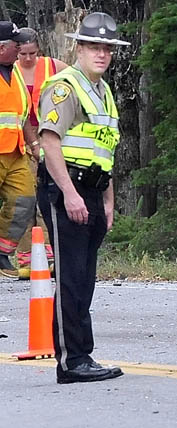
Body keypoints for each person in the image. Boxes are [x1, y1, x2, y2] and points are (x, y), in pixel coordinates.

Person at [37, 12, 129, 384]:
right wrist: (70, 193)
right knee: (71, 277)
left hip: (92, 189)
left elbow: (103, 150)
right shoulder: (64, 87)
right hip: (66, 189)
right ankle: (71, 361)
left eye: (107, 48)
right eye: (94, 46)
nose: (101, 54)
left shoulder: (103, 91)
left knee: (85, 278)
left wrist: (107, 200)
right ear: (79, 47)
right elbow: (50, 140)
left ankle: (82, 354)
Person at [14, 27, 67, 279]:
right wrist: (31, 143)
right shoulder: (9, 71)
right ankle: (25, 257)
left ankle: (49, 254)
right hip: (19, 139)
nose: (27, 58)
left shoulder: (53, 66)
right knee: (24, 198)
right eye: (22, 53)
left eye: (32, 53)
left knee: (48, 196)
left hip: (50, 135)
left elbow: (76, 83)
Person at [0, 21, 37, 278]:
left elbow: (21, 117)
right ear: (2, 48)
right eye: (16, 45)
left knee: (25, 199)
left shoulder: (15, 75)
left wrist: (34, 144)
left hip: (16, 152)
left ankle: (1, 253)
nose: (20, 49)